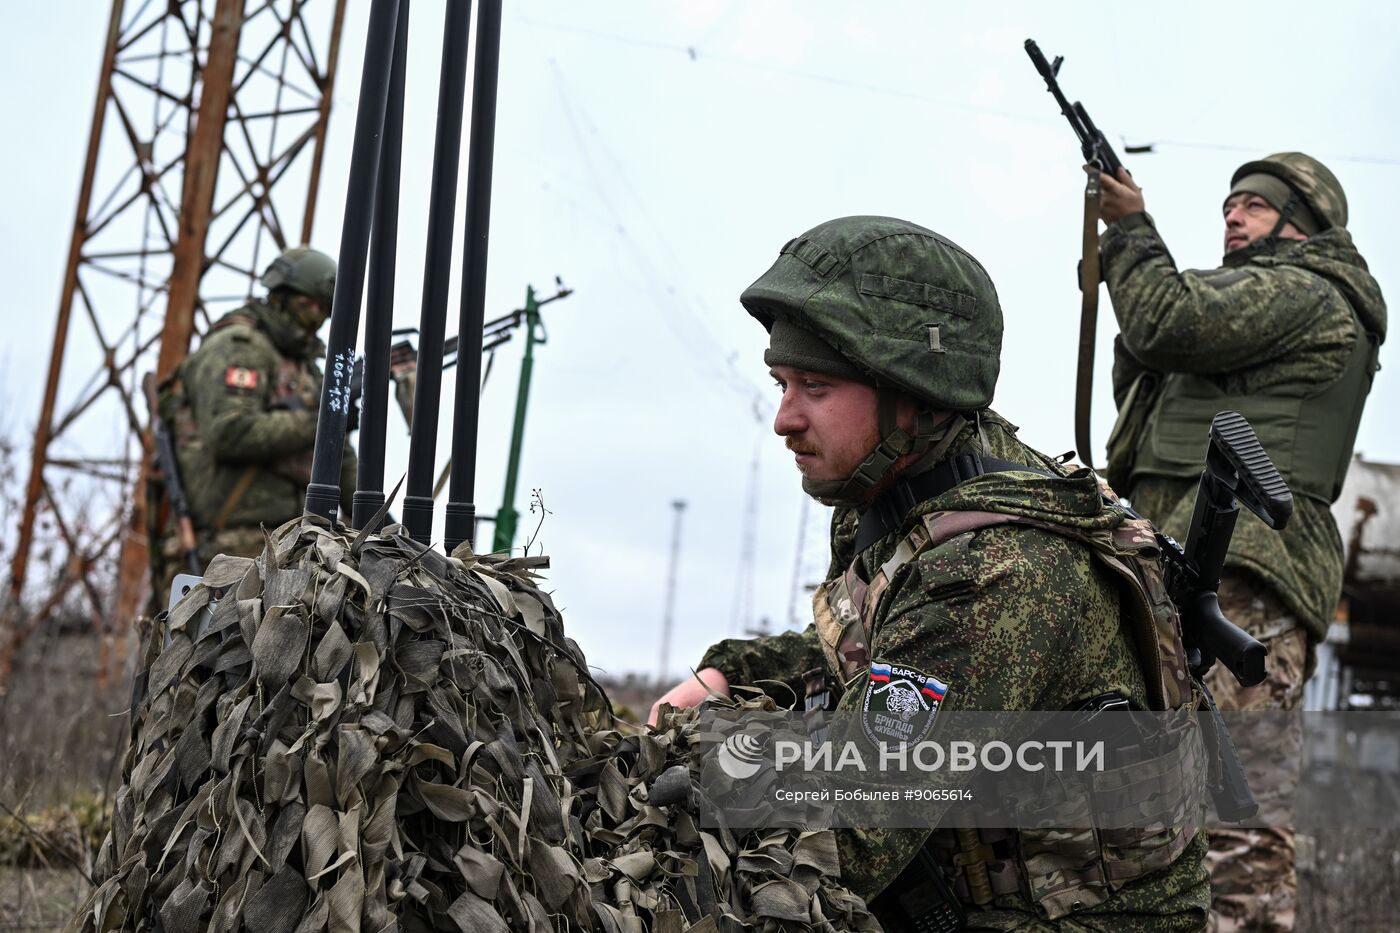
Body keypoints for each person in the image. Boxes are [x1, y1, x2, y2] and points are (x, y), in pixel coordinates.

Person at [652, 216, 1210, 930]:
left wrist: (699, 760)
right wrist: (732, 672)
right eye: (782, 382)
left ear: (911, 393)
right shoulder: (916, 485)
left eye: (815, 386)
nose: (784, 418)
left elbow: (847, 836)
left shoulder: (991, 573)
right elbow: (875, 656)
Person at [1095, 154, 1387, 932]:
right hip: (1167, 556)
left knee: (1237, 816)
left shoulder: (1309, 291)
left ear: (1302, 224)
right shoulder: (1254, 305)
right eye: (1228, 204)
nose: (1233, 215)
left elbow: (1169, 318)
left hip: (1245, 564)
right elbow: (1147, 384)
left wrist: (1128, 231)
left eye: (1254, 205)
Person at [149, 246, 358, 607]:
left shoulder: (303, 367)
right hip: (227, 552)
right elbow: (229, 431)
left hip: (292, 550)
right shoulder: (239, 348)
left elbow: (338, 456)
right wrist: (320, 423)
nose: (316, 319)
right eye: (308, 306)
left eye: (324, 310)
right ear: (283, 295)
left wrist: (381, 529)